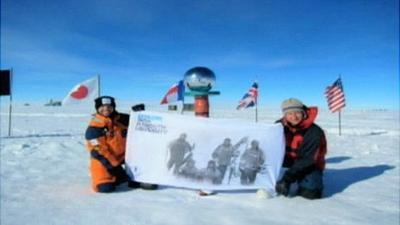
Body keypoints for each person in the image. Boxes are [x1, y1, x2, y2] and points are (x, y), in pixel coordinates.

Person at [275, 98, 327, 199]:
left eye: (297, 113)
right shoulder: (278, 127)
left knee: (310, 193)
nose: (294, 117)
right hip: (288, 160)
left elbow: (307, 159)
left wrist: (287, 178)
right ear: (285, 115)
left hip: (310, 164)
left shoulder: (314, 132)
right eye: (289, 113)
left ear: (303, 113)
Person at [85, 96, 131, 193]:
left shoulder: (123, 119)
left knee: (137, 179)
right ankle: (112, 176)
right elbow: (98, 151)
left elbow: (140, 121)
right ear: (97, 108)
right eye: (102, 106)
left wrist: (140, 113)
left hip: (124, 156)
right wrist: (116, 169)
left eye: (109, 106)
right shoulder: (94, 128)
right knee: (105, 188)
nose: (106, 109)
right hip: (104, 160)